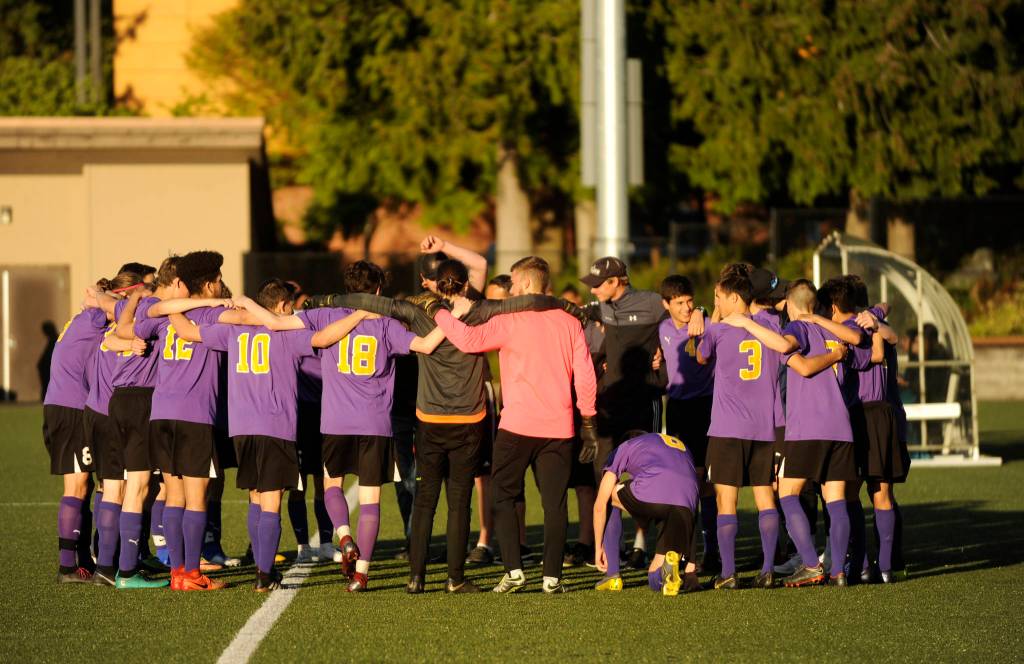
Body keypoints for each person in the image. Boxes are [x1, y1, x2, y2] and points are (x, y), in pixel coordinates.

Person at [167, 283, 371, 591]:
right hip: (275, 425)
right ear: (283, 307)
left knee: (255, 497)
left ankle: (261, 567)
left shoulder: (233, 332)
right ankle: (264, 575)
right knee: (272, 502)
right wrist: (358, 316)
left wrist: (170, 305)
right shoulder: (285, 334)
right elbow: (324, 337)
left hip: (241, 428)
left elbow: (186, 331)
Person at [435, 255, 598, 594]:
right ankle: (552, 577)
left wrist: (440, 314)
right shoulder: (569, 322)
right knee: (555, 504)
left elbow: (467, 341)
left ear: (525, 284)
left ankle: (514, 571)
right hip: (559, 428)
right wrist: (588, 422)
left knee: (503, 496)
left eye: (512, 281)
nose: (508, 288)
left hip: (518, 425)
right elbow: (585, 374)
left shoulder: (511, 319)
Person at [284, 261, 447, 592]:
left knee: (331, 486)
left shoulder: (325, 315)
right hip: (376, 423)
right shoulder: (387, 323)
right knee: (371, 501)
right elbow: (427, 346)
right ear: (377, 290)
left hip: (335, 419)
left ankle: (344, 537)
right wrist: (457, 316)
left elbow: (280, 322)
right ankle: (361, 574)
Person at [726, 278, 854, 587]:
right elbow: (853, 339)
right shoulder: (830, 328)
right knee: (835, 500)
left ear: (790, 304)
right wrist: (837, 354)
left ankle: (811, 563)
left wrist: (747, 324)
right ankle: (838, 571)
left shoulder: (796, 329)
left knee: (787, 493)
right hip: (841, 426)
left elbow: (802, 365)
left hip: (809, 427)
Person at [581, 256, 700, 568]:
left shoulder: (650, 303)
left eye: (598, 284)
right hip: (610, 405)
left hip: (644, 404)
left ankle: (647, 547)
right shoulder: (599, 308)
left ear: (618, 280)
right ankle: (611, 563)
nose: (593, 290)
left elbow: (683, 309)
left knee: (650, 478)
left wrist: (699, 313)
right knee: (605, 483)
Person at [44, 271, 135, 583]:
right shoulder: (97, 317)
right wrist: (100, 294)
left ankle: (82, 559)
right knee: (77, 486)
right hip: (70, 408)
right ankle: (68, 566)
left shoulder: (84, 318)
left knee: (88, 484)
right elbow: (106, 307)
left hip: (66, 405)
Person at [82, 271, 150, 587]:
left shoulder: (111, 326)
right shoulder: (139, 324)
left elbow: (109, 337)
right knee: (128, 489)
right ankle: (124, 567)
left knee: (111, 489)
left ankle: (104, 568)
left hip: (96, 412)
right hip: (117, 412)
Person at [593, 431, 699, 595]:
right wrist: (691, 567)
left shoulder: (624, 447)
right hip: (685, 504)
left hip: (654, 490)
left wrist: (598, 547)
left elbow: (600, 505)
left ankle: (612, 574)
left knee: (609, 496)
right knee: (653, 578)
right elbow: (693, 511)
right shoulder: (677, 445)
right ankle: (667, 569)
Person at [658, 275, 716, 572]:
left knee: (708, 479)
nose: (686, 307)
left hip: (707, 406)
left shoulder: (704, 321)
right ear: (666, 304)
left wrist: (702, 310)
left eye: (689, 301)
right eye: (679, 302)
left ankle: (712, 549)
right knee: (683, 479)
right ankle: (686, 550)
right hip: (677, 409)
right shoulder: (662, 328)